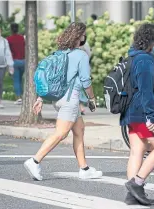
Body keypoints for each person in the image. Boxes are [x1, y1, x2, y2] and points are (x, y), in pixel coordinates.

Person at [24, 22, 102, 181]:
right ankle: (34, 161)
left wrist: (40, 98)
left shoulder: (59, 54)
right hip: (70, 100)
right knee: (61, 133)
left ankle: (84, 168)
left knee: (79, 130)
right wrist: (92, 99)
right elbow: (86, 81)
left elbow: (50, 78)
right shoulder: (81, 55)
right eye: (82, 35)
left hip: (57, 99)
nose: (84, 37)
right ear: (78, 37)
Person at [121, 23, 154, 206]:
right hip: (143, 112)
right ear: (151, 40)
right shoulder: (145, 60)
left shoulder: (134, 56)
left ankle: (132, 196)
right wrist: (151, 117)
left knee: (137, 151)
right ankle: (137, 183)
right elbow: (146, 91)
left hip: (132, 111)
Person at [7, 23, 26, 105]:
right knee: (21, 79)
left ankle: (19, 98)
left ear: (11, 29)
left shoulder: (8, 39)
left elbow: (7, 52)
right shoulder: (22, 38)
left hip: (14, 62)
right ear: (18, 29)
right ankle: (23, 97)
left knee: (16, 80)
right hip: (23, 61)